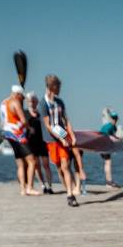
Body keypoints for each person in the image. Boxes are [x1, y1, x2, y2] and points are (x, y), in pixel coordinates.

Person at [42, 74, 79, 206]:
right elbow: (48, 125)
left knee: (66, 165)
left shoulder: (60, 102)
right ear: (52, 87)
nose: (60, 89)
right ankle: (67, 189)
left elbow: (66, 120)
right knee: (59, 167)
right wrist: (59, 138)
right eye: (59, 86)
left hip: (62, 136)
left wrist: (71, 136)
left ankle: (70, 195)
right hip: (51, 139)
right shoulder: (43, 103)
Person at [0, 84, 38, 195]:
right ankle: (29, 187)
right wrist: (30, 129)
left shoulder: (3, 103)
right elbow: (23, 120)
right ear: (17, 94)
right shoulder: (15, 102)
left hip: (8, 134)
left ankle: (22, 189)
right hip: (18, 134)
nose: (22, 99)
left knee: (20, 163)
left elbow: (2, 121)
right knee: (32, 161)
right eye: (21, 97)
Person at [24, 92, 52, 193]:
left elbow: (47, 125)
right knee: (36, 165)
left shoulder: (41, 113)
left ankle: (49, 186)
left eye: (34, 101)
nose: (32, 103)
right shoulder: (24, 113)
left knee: (46, 164)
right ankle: (42, 184)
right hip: (31, 143)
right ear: (27, 102)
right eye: (30, 101)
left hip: (42, 141)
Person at [99, 108, 120, 187]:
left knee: (107, 163)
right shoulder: (109, 126)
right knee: (108, 162)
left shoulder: (114, 127)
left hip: (107, 147)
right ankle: (109, 182)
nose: (114, 120)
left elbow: (113, 136)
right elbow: (105, 135)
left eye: (115, 118)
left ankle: (109, 181)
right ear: (111, 118)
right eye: (113, 118)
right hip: (103, 146)